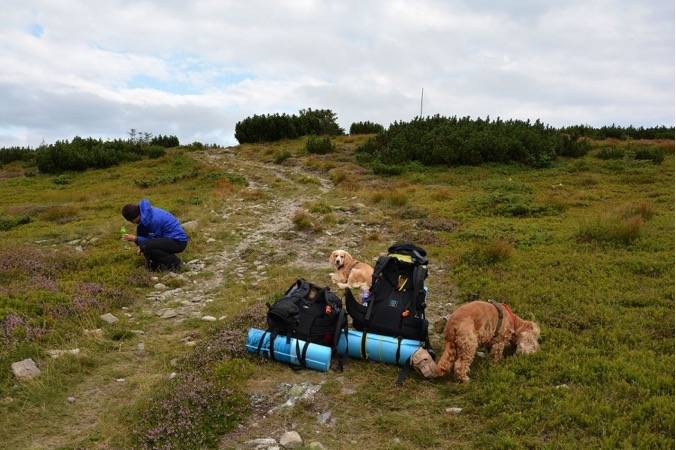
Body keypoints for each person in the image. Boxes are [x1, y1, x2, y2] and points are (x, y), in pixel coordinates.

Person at [121, 199, 189, 271]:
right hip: (168, 239)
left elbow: (154, 240)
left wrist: (136, 239)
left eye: (132, 221)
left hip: (178, 241)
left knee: (147, 246)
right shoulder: (146, 215)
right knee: (146, 246)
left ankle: (176, 264)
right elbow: (151, 239)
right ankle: (155, 267)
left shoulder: (153, 220)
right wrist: (141, 245)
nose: (133, 223)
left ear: (136, 217)